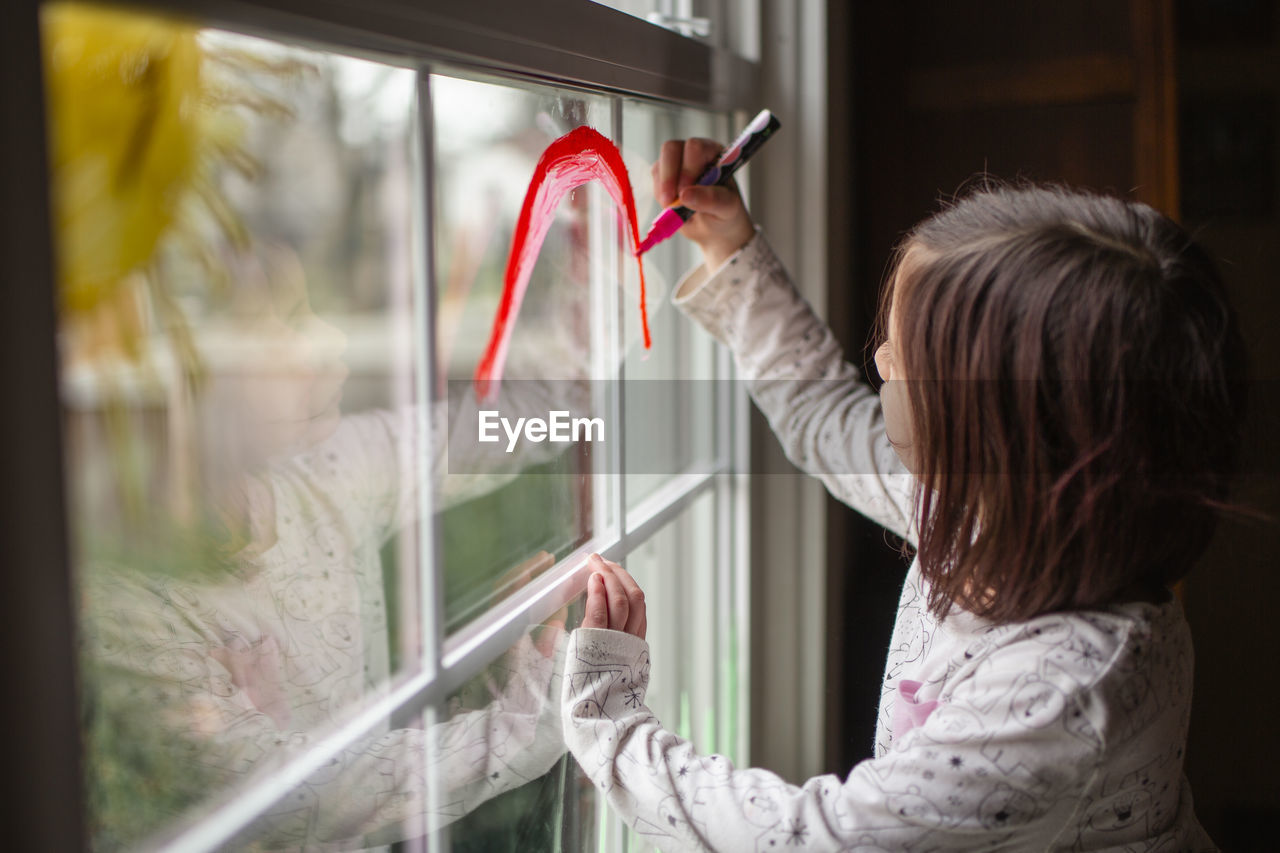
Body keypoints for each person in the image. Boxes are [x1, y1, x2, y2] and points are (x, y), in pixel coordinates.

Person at [558, 138, 1246, 850]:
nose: (880, 358)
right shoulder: (993, 506)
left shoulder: (1066, 687)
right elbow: (824, 418)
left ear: (996, 433)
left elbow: (816, 840)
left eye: (903, 359)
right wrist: (732, 249)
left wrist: (609, 721)